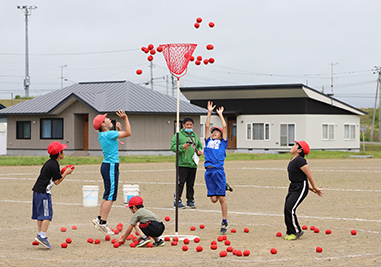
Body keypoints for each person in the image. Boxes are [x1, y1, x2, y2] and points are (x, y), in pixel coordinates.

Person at [92, 110, 131, 235]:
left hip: (106, 165)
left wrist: (117, 130)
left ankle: (99, 218)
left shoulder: (103, 134)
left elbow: (114, 138)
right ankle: (103, 223)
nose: (109, 119)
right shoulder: (109, 134)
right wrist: (125, 118)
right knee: (111, 196)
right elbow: (129, 133)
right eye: (106, 119)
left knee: (107, 193)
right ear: (103, 125)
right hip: (111, 166)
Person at [32, 141, 74, 249]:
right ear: (59, 154)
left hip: (37, 191)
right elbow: (57, 181)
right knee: (47, 215)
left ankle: (40, 234)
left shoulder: (49, 163)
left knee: (41, 215)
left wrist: (62, 171)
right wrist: (66, 173)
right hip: (43, 193)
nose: (64, 152)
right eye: (63, 151)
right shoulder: (54, 164)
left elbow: (54, 175)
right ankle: (42, 236)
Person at [284, 140, 324, 240]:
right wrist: (309, 187)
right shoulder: (293, 159)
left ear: (299, 150)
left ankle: (296, 231)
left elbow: (308, 174)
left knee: (290, 208)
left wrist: (314, 187)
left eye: (295, 145)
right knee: (287, 208)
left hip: (300, 188)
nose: (293, 146)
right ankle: (290, 232)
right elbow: (300, 175)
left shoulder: (300, 160)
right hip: (293, 187)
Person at [204, 101, 230, 234]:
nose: (214, 133)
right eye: (213, 132)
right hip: (208, 172)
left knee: (221, 199)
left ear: (220, 136)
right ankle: (224, 185)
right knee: (213, 199)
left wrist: (220, 114)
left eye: (217, 132)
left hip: (218, 171)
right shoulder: (208, 141)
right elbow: (207, 126)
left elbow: (224, 127)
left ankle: (224, 221)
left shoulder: (222, 143)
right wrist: (209, 112)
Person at [170, 117, 203, 209]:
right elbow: (173, 147)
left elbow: (199, 146)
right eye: (187, 124)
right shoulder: (178, 135)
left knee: (191, 183)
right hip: (182, 163)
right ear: (183, 125)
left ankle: (190, 200)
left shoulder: (194, 136)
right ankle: (177, 201)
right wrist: (182, 146)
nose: (189, 126)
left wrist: (199, 151)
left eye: (191, 125)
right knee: (180, 182)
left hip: (192, 163)